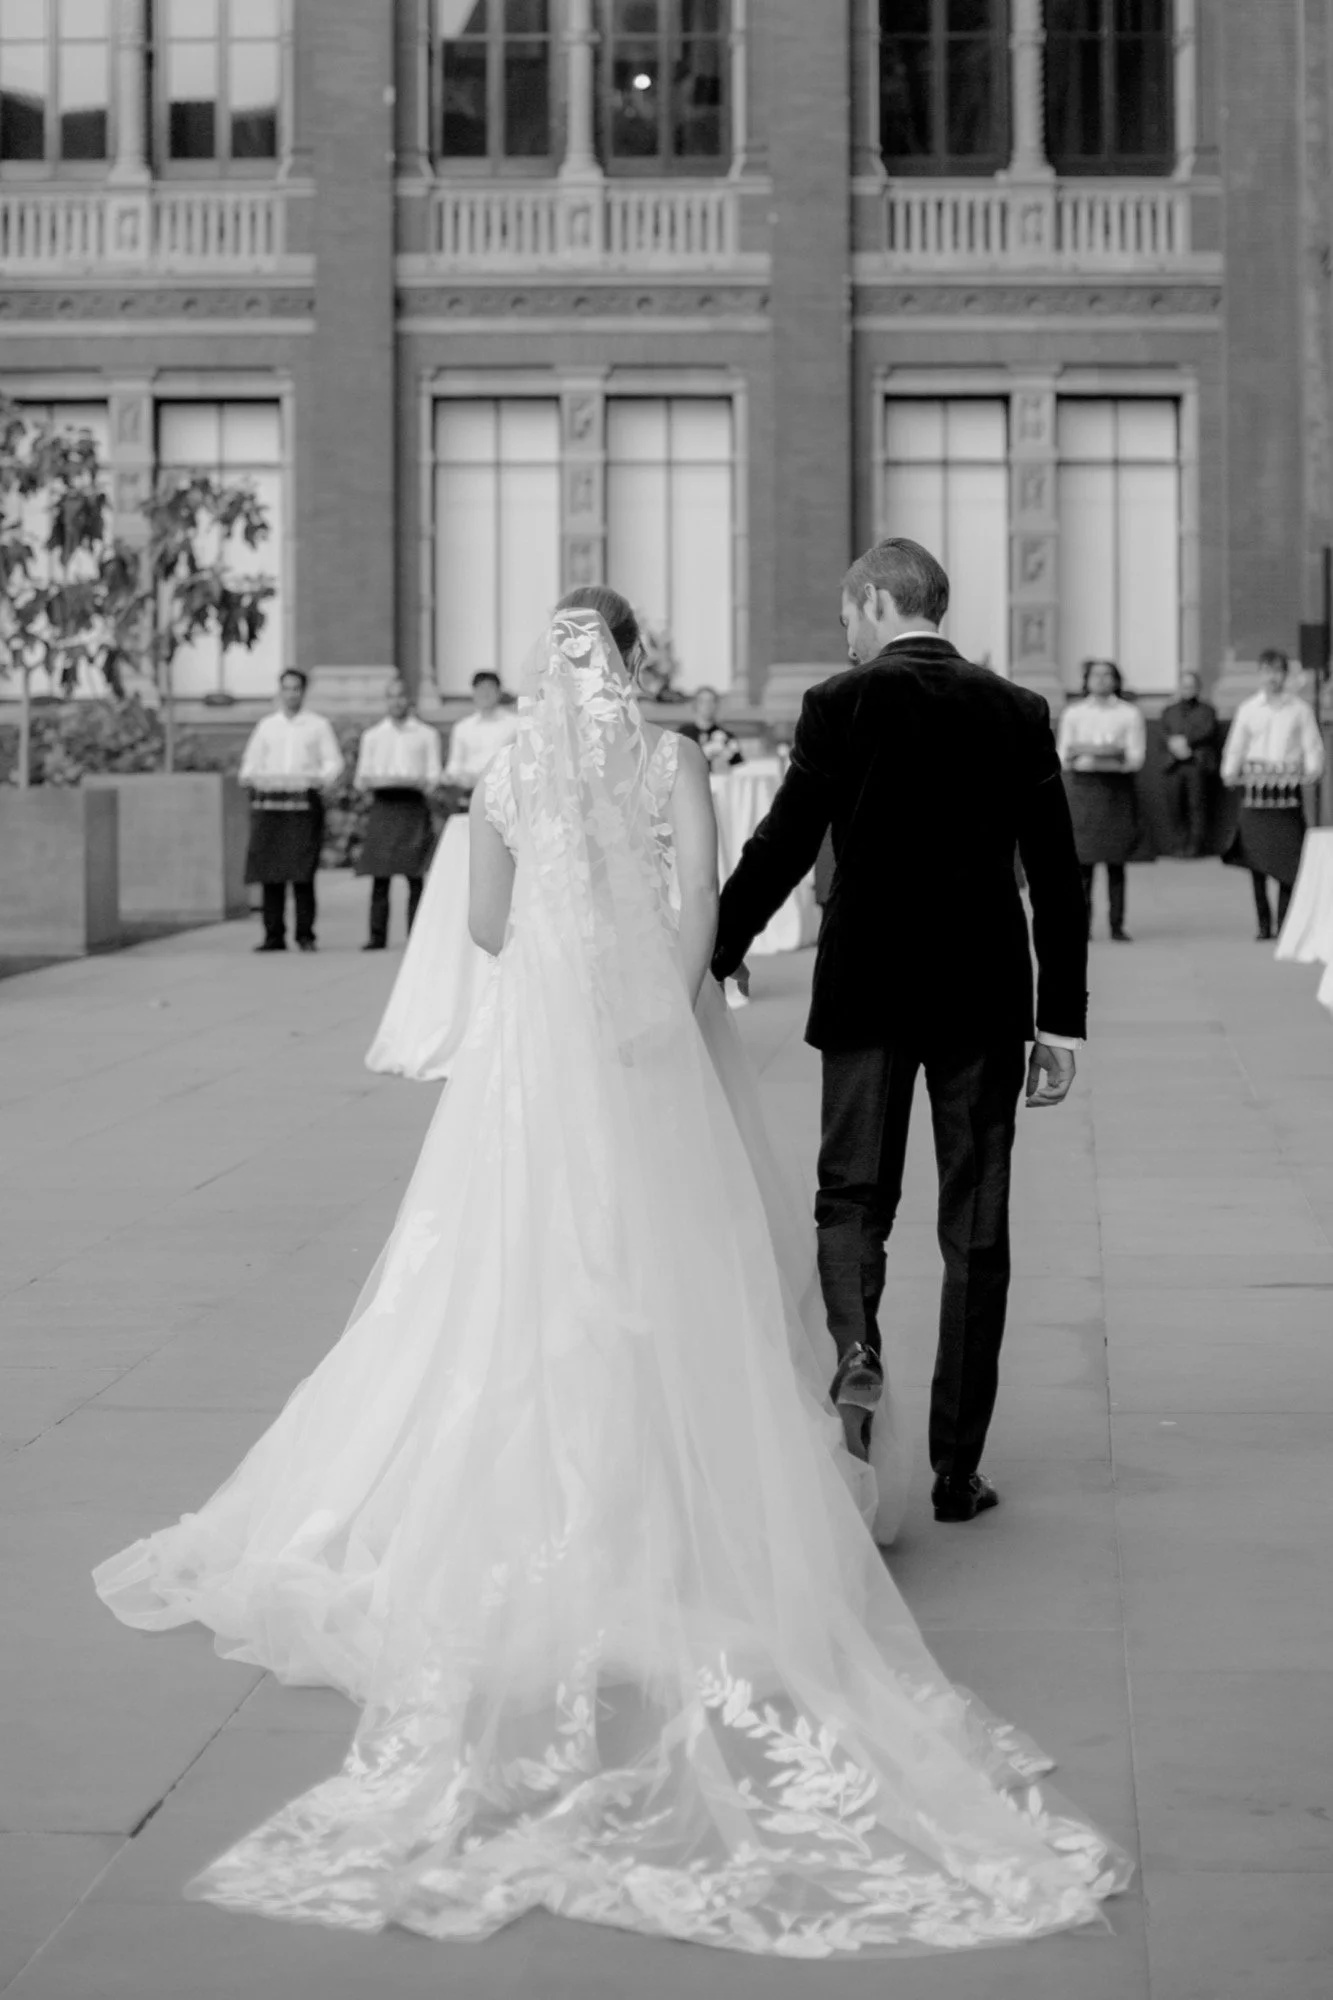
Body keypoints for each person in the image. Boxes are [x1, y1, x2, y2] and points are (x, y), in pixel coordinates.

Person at [93, 594, 1128, 1958]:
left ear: (545, 656)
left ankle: (628, 1460)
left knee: (535, 1263)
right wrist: (663, 986)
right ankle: (877, 1460)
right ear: (634, 656)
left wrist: (570, 982)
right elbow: (710, 895)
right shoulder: (689, 752)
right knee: (752, 1246)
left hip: (552, 1053)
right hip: (700, 1025)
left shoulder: (512, 762)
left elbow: (483, 927)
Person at [712, 538, 1089, 1526]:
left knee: (851, 1196)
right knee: (977, 1224)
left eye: (846, 619)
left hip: (869, 986)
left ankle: (856, 1359)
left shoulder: (844, 706)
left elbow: (782, 840)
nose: (846, 639)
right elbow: (1056, 875)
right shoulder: (1015, 709)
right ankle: (957, 1470)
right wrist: (1061, 1025)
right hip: (982, 994)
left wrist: (713, 948)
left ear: (876, 599)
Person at [1221, 649, 1326, 939]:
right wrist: (1229, 771)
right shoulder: (1248, 708)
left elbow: (1312, 746)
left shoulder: (1299, 709)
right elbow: (1236, 745)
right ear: (1260, 673)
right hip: (1255, 792)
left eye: (1278, 671)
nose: (1272, 677)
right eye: (1267, 671)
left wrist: (1312, 771)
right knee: (1255, 860)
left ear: (1286, 675)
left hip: (1286, 792)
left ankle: (1285, 923)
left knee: (1289, 861)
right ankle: (1263, 924)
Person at [238, 668, 344, 953]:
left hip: (303, 803)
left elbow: (333, 762)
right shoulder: (266, 726)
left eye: (296, 688)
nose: (291, 693)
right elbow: (250, 764)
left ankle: (305, 934)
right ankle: (273, 935)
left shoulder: (317, 726)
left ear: (303, 691)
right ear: (280, 691)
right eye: (286, 688)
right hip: (270, 803)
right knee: (270, 872)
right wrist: (253, 777)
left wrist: (319, 780)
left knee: (302, 872)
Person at [1056, 659, 1147, 943]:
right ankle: (1083, 926)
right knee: (1083, 864)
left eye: (1108, 675)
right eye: (1096, 675)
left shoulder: (1129, 714)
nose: (1101, 680)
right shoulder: (1074, 713)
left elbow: (1136, 757)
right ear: (1086, 680)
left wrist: (1110, 753)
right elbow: (1062, 755)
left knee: (1116, 863)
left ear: (1116, 680)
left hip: (1116, 789)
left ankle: (1117, 925)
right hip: (1083, 790)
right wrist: (1086, 751)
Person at [353, 677, 443, 951]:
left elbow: (434, 775)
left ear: (409, 699)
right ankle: (376, 936)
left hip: (412, 805)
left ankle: (416, 935)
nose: (397, 701)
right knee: (380, 875)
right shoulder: (373, 736)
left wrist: (420, 782)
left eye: (401, 696)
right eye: (391, 696)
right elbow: (361, 778)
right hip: (383, 805)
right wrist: (374, 781)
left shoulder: (427, 735)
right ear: (386, 700)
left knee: (414, 875)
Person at [1160, 669, 1221, 857]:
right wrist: (1175, 746)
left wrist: (1186, 743)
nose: (1188, 690)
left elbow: (1208, 730)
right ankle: (1179, 844)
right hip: (1174, 765)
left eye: (1191, 686)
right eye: (1184, 686)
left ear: (1198, 688)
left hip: (1197, 764)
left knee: (1197, 806)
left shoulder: (1207, 710)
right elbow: (1164, 733)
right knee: (1175, 806)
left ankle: (1195, 846)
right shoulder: (1169, 711)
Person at [440, 670, 519, 813]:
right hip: (470, 792)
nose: (485, 693)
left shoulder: (515, 724)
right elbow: (454, 765)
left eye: (490, 688)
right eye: (481, 688)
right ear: (473, 692)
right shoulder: (462, 727)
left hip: (505, 794)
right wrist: (454, 777)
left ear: (499, 692)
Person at [677, 684, 745, 773]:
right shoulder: (683, 735)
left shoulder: (727, 737)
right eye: (703, 701)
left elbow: (739, 767)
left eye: (711, 701)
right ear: (695, 705)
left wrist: (726, 766)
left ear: (717, 705)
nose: (707, 706)